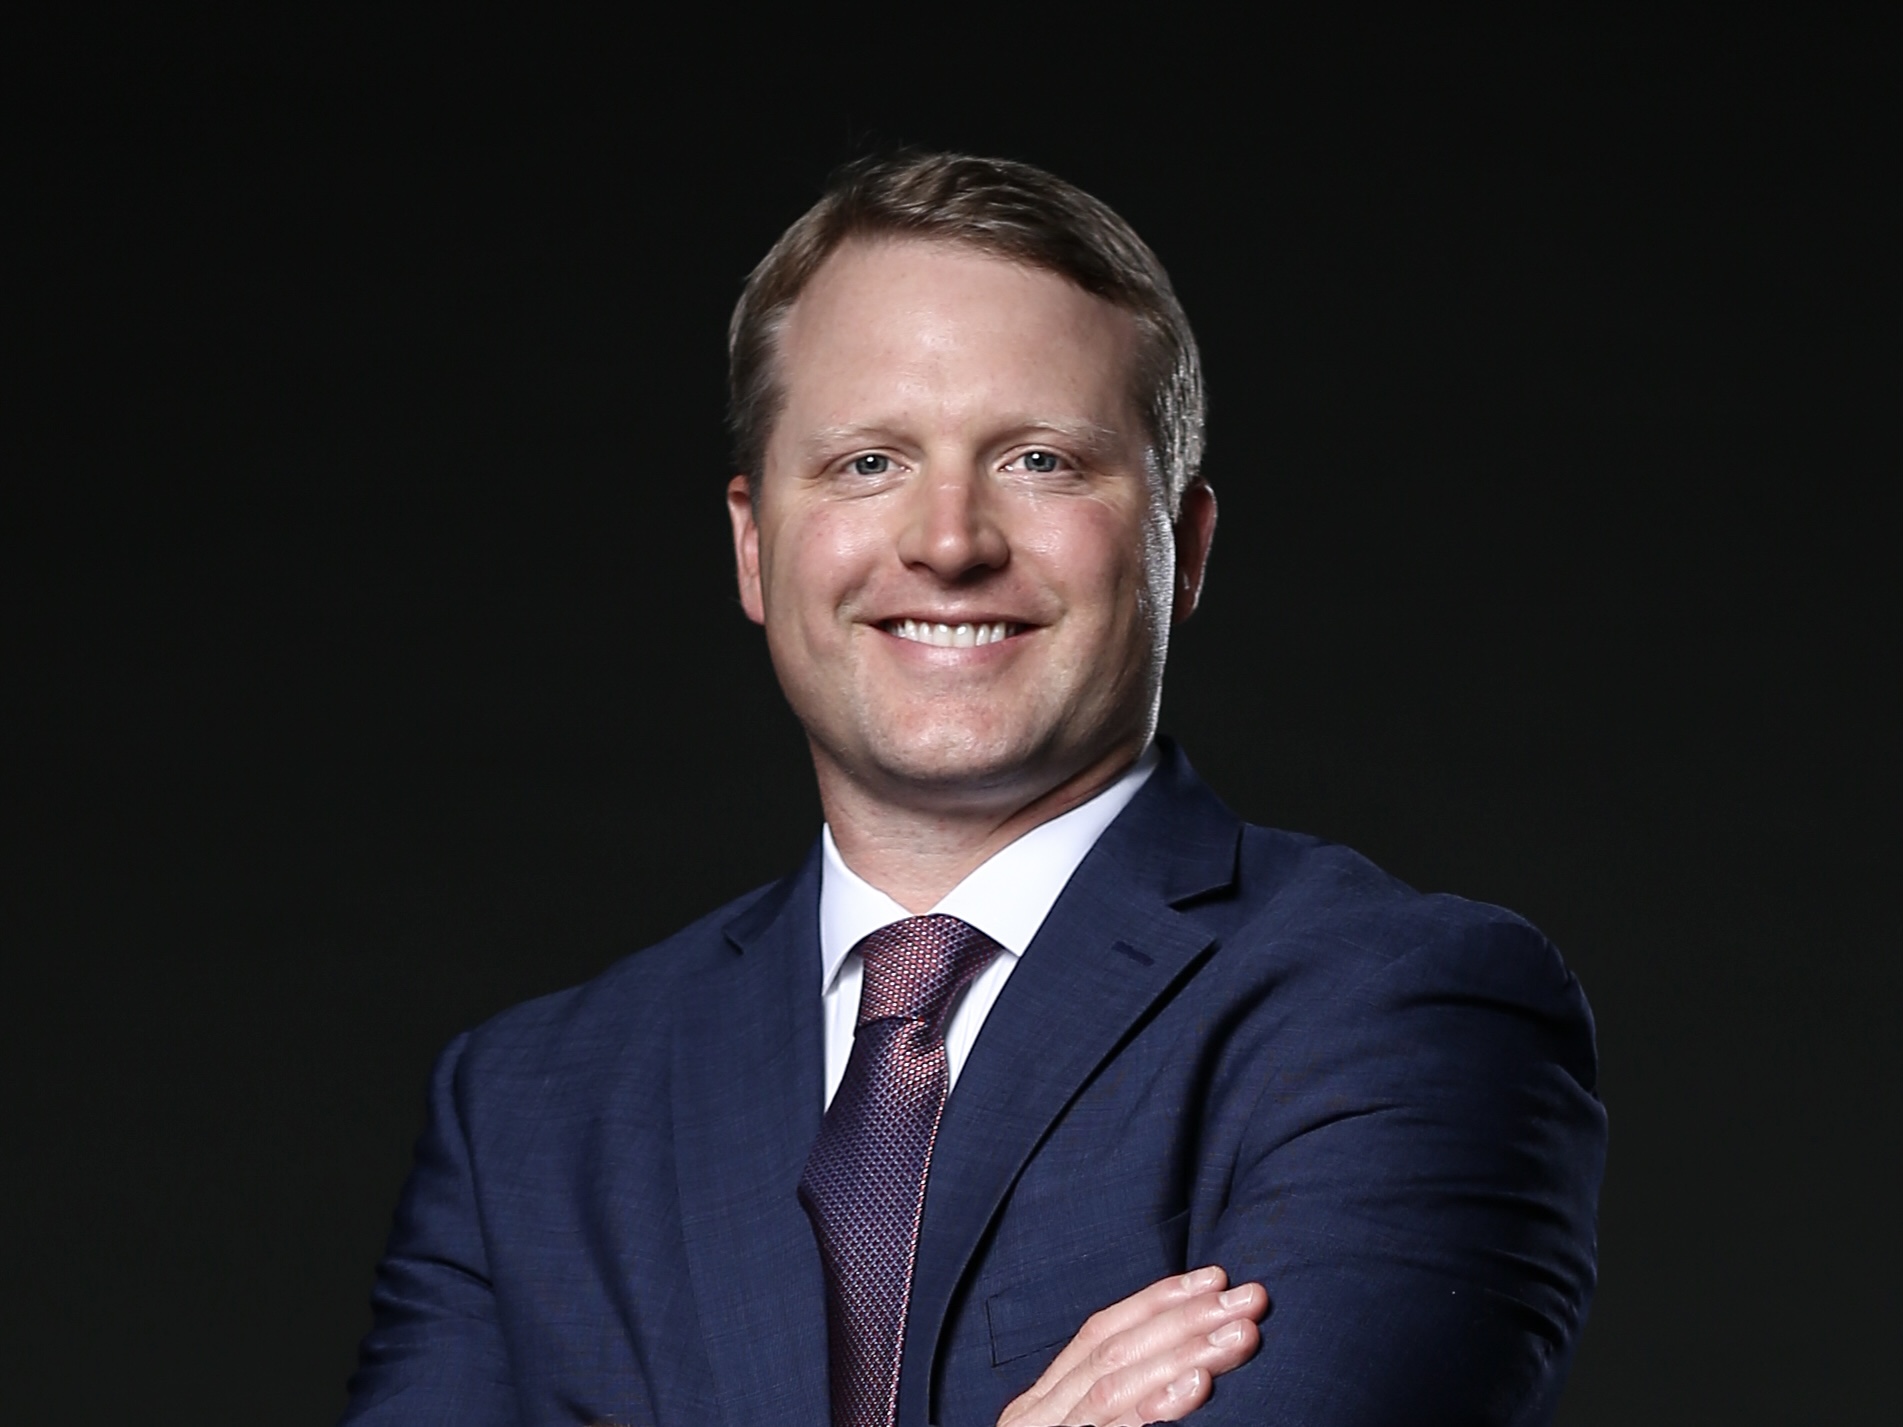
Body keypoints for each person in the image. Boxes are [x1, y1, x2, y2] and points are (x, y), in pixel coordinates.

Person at [341, 152, 1607, 1427]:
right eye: (867, 462)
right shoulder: (527, 1108)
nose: (949, 541)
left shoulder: (1401, 1010)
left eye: (1040, 459)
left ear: (1183, 547)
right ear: (753, 544)